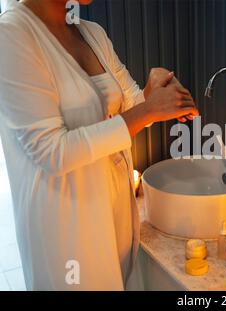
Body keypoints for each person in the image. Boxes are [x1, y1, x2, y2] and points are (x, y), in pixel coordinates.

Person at [0, 0, 198, 290]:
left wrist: (154, 93)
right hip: (66, 235)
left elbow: (130, 104)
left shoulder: (91, 33)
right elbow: (51, 152)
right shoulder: (11, 36)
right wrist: (149, 110)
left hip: (114, 217)